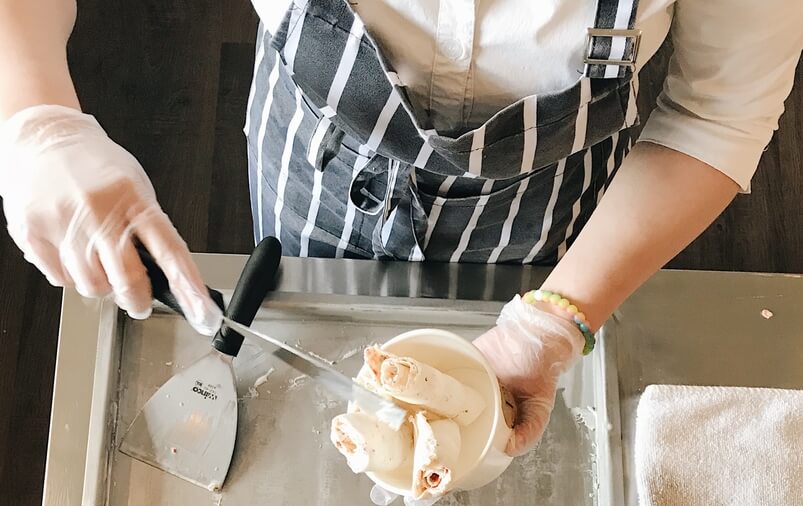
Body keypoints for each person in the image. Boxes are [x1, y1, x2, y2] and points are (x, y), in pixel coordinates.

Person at [0, 1, 801, 455]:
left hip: (546, 210)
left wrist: (556, 318)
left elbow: (713, 116)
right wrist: (36, 116)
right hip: (311, 153)